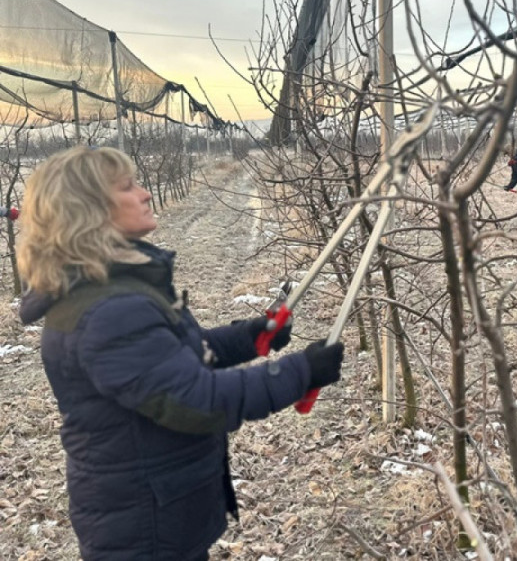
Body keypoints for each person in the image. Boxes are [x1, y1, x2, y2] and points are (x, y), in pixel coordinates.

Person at [17, 146, 345, 561]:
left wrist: (249, 338)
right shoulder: (108, 310)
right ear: (91, 211)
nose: (145, 193)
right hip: (145, 529)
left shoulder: (107, 289)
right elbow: (195, 400)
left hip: (151, 509)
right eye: (127, 187)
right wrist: (300, 372)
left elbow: (169, 359)